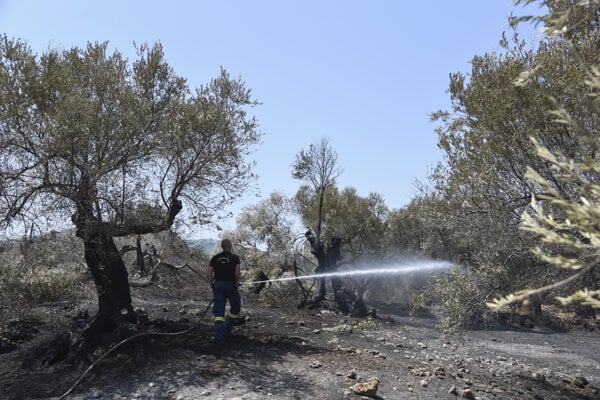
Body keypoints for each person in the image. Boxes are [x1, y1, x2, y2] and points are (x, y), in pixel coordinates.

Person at [207, 238, 241, 345]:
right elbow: (237, 275)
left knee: (219, 312)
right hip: (230, 286)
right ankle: (226, 330)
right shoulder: (235, 258)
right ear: (230, 246)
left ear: (222, 247)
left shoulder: (215, 258)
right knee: (236, 307)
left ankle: (218, 337)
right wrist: (236, 282)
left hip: (218, 286)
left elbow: (208, 274)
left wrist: (213, 283)